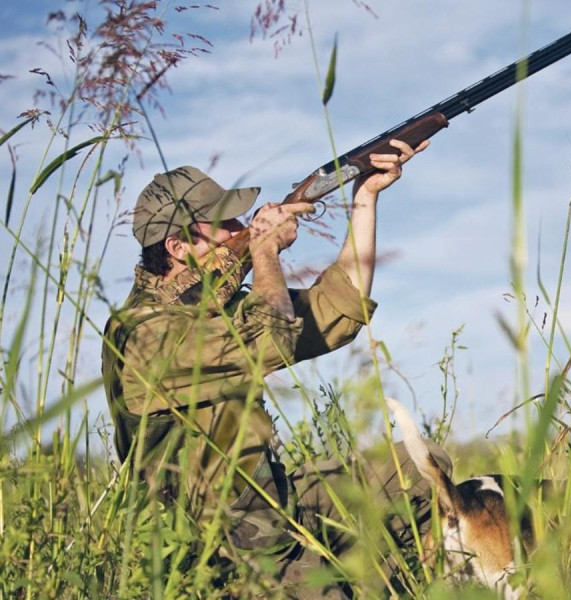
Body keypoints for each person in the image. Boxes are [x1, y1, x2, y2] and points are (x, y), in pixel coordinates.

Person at [101, 140, 450, 598]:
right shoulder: (146, 334)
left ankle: (371, 585)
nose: (239, 228)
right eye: (224, 224)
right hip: (220, 544)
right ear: (179, 247)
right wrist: (265, 253)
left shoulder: (217, 310)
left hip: (271, 502)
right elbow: (272, 337)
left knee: (424, 469)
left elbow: (338, 310)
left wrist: (365, 197)